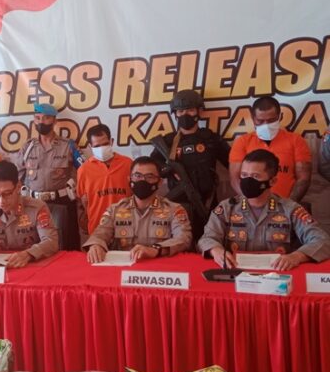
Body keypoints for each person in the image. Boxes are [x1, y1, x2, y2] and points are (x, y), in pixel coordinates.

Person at [199, 149, 330, 270]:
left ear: (272, 181)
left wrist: (296, 257)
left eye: (255, 176)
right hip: (236, 273)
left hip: (278, 274)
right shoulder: (227, 208)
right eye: (244, 175)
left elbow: (322, 241)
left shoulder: (290, 209)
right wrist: (216, 250)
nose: (248, 180)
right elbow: (206, 239)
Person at [149, 89, 230, 241]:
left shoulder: (211, 139)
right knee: (179, 244)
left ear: (199, 111)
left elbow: (233, 164)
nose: (185, 115)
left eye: (190, 110)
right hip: (177, 206)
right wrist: (167, 169)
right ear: (175, 114)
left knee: (209, 242)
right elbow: (151, 168)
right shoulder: (168, 141)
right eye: (180, 111)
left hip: (207, 203)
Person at [84, 157, 193, 264]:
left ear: (159, 182)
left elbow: (184, 238)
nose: (142, 180)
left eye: (149, 176)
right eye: (137, 176)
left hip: (159, 269)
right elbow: (100, 234)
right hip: (123, 268)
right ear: (129, 179)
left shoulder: (174, 210)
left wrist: (155, 250)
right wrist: (96, 245)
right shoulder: (115, 210)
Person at [17, 103, 84, 250]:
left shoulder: (68, 146)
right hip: (34, 204)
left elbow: (84, 170)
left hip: (62, 202)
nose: (41, 122)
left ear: (54, 121)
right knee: (36, 246)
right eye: (38, 118)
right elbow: (19, 176)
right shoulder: (27, 147)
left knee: (67, 245)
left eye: (46, 118)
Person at [229, 96, 312, 202]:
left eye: (271, 120)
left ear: (280, 117)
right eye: (260, 121)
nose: (266, 125)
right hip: (252, 206)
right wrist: (251, 203)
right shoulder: (242, 142)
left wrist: (288, 206)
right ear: (253, 119)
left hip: (286, 204)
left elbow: (303, 178)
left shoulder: (296, 140)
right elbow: (235, 179)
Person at [77, 124, 132, 234]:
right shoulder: (83, 170)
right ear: (90, 146)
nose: (101, 148)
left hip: (127, 225)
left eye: (105, 144)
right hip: (97, 228)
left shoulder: (128, 164)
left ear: (112, 141)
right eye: (97, 146)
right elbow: (84, 201)